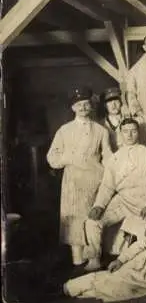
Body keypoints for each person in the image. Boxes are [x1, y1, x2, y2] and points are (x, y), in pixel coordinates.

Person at [84, 118, 146, 271]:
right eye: (126, 131)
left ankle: (143, 264)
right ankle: (94, 259)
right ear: (120, 134)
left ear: (139, 133)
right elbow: (107, 186)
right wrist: (99, 205)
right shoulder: (115, 158)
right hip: (122, 201)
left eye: (133, 131)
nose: (129, 135)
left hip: (144, 202)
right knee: (92, 221)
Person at [47, 87, 112, 267]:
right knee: (74, 219)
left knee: (92, 218)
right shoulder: (64, 130)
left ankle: (94, 258)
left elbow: (107, 155)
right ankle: (77, 259)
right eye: (79, 105)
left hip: (94, 179)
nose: (83, 107)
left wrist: (108, 176)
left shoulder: (101, 130)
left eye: (86, 104)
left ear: (91, 106)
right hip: (73, 181)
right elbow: (52, 157)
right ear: (73, 108)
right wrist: (68, 159)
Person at [100, 87, 125, 152]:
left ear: (121, 103)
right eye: (109, 102)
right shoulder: (101, 124)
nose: (113, 104)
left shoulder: (129, 120)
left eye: (116, 101)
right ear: (105, 105)